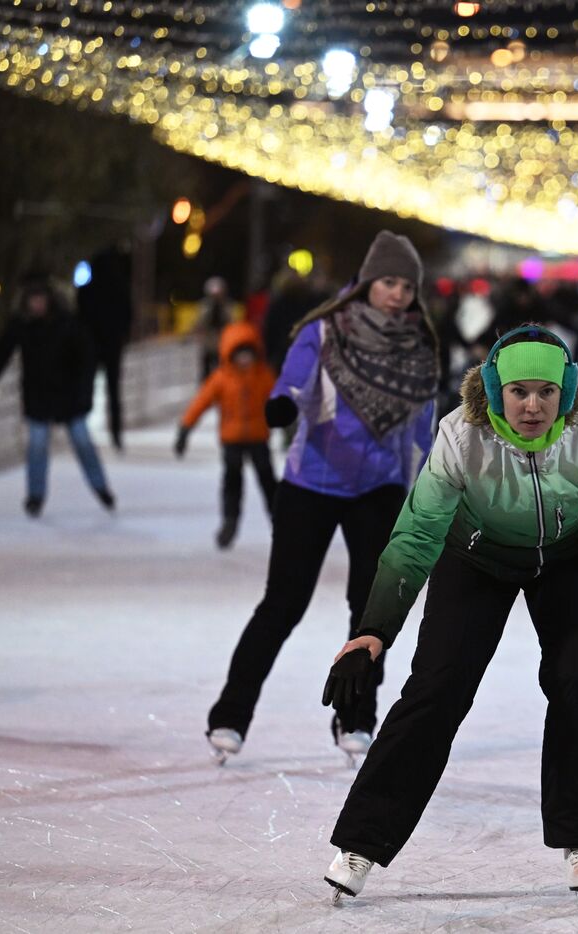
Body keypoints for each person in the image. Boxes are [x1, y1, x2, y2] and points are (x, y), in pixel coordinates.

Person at [318, 324, 578, 904]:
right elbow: (416, 534)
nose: (533, 405)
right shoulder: (460, 436)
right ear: (494, 391)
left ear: (567, 393)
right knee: (436, 690)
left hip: (571, 558)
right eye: (519, 391)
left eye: (547, 391)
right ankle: (362, 843)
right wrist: (373, 629)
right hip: (475, 558)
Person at [204, 231, 440, 765]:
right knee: (284, 603)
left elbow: (424, 422)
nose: (397, 294)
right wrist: (283, 407)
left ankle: (355, 716)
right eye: (388, 282)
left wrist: (431, 477)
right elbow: (294, 380)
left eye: (406, 286)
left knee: (371, 611)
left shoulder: (417, 346)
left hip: (379, 488)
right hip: (311, 483)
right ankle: (230, 715)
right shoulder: (326, 331)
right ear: (367, 281)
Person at [0, 274, 115, 517]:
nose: (37, 305)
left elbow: (87, 359)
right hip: (38, 397)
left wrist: (84, 394)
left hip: (69, 397)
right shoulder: (21, 326)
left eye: (41, 299)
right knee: (37, 446)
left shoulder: (68, 323)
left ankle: (100, 487)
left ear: (49, 300)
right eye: (33, 300)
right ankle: (35, 496)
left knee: (83, 443)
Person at [174, 321, 279, 549]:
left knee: (267, 479)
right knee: (232, 480)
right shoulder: (222, 377)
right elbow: (200, 402)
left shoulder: (263, 376)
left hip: (258, 437)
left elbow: (280, 399)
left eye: (248, 354)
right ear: (230, 354)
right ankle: (230, 522)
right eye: (240, 355)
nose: (245, 360)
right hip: (232, 438)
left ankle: (280, 521)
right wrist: (185, 429)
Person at [74, 244, 133, 450]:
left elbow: (79, 314)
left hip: (94, 344)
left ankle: (83, 431)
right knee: (113, 390)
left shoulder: (89, 288)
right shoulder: (120, 286)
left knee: (87, 387)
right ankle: (115, 433)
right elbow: (128, 315)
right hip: (111, 344)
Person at [194, 276, 239, 381]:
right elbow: (199, 323)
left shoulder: (227, 306)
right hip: (208, 343)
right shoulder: (205, 307)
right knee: (206, 370)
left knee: (223, 368)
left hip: (223, 343)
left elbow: (232, 322)